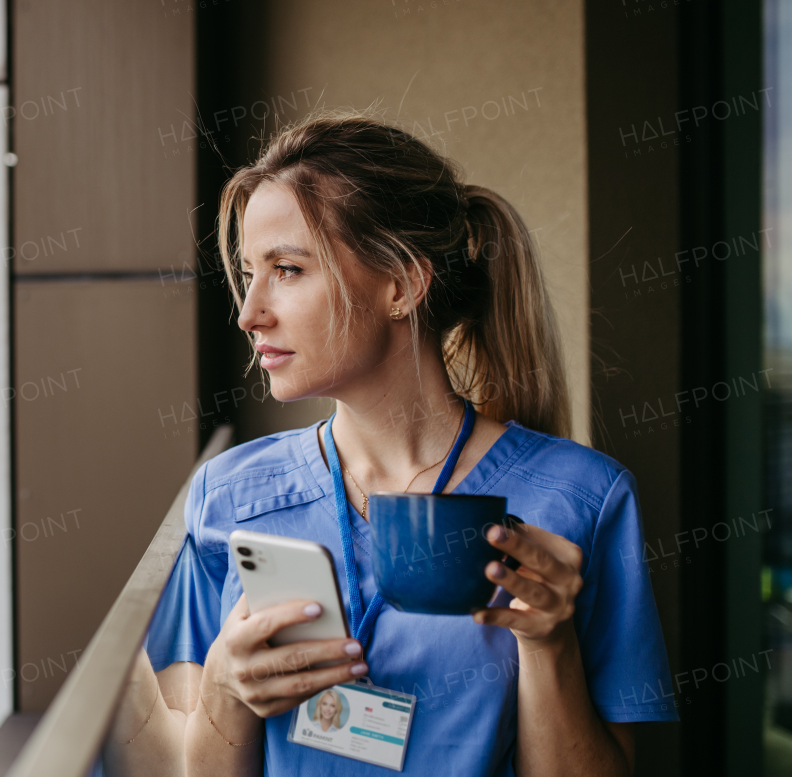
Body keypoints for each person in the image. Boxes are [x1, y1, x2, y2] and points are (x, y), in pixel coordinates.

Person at [105, 110, 676, 777]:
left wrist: (551, 645)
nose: (249, 312)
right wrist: (227, 693)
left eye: (287, 269)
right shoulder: (227, 494)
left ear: (402, 284)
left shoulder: (583, 498)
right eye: (248, 272)